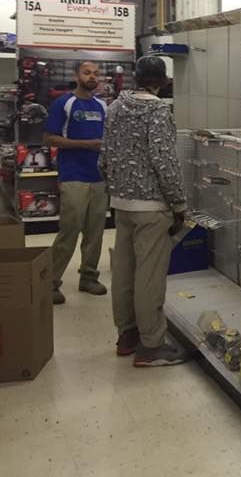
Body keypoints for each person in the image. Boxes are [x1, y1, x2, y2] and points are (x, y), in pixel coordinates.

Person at [100, 56, 189, 367]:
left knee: (123, 272)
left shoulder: (114, 108)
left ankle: (127, 336)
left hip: (121, 204)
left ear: (135, 78)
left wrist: (116, 190)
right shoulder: (158, 111)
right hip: (152, 207)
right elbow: (164, 162)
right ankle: (151, 346)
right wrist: (178, 204)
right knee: (148, 277)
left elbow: (104, 157)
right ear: (162, 82)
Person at [43, 61, 109, 305]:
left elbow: (107, 139)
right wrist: (85, 144)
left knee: (95, 232)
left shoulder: (102, 105)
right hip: (73, 177)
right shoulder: (64, 103)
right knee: (69, 232)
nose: (92, 76)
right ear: (76, 75)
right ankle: (49, 283)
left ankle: (88, 278)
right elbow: (49, 138)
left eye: (95, 73)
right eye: (87, 72)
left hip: (99, 178)